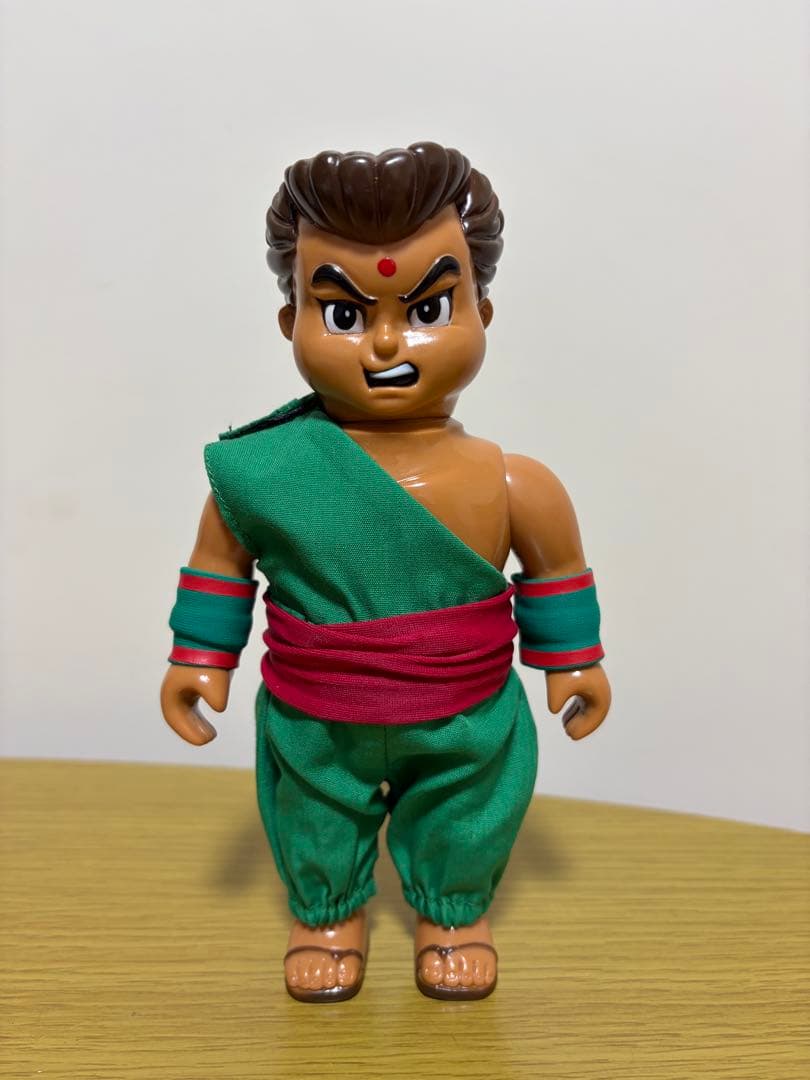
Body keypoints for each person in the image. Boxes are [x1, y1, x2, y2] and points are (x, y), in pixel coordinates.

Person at [160, 142, 612, 1003]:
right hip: (316, 712)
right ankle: (326, 911)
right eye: (342, 314)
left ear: (483, 310)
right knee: (314, 809)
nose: (387, 343)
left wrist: (575, 662)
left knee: (468, 808)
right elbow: (220, 565)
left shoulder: (513, 482)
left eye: (430, 307)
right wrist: (197, 660)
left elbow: (556, 573)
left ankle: (453, 911)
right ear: (289, 321)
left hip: (466, 715)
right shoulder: (266, 475)